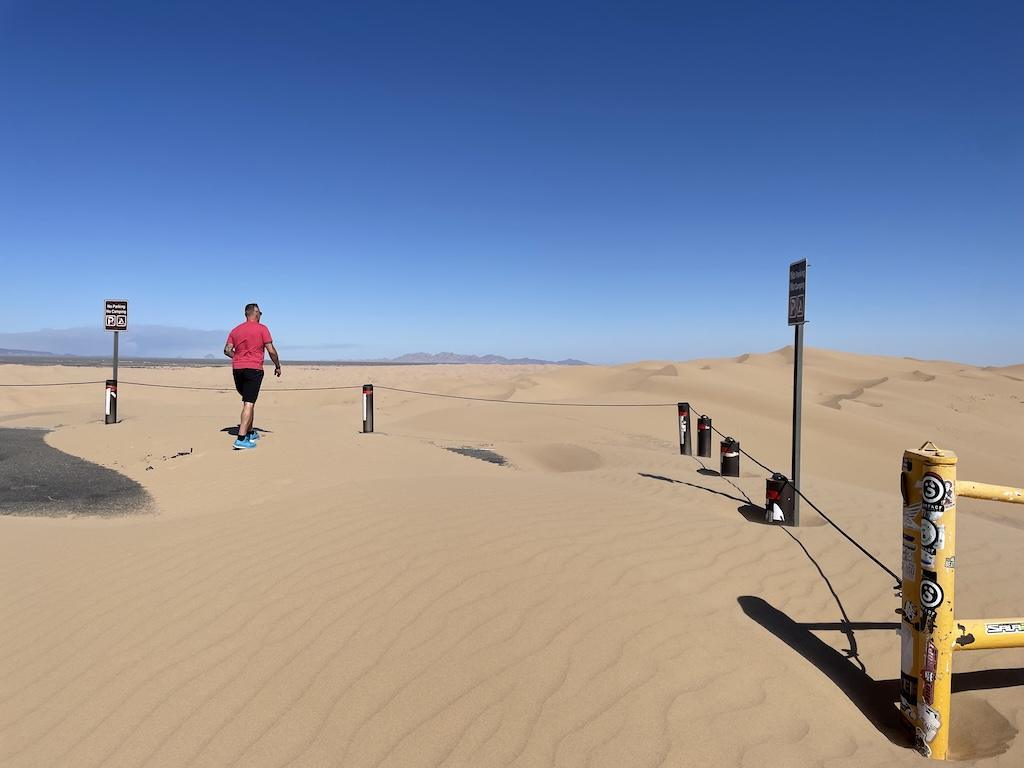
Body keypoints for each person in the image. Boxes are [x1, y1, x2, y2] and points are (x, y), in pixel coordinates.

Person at [223, 303, 281, 449]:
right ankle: (241, 439)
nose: (261, 315)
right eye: (260, 312)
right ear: (255, 313)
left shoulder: (235, 330)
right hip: (253, 369)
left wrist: (238, 357)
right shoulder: (262, 329)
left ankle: (249, 431)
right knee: (249, 402)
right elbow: (271, 350)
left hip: (237, 369)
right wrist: (278, 365)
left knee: (249, 401)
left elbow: (227, 350)